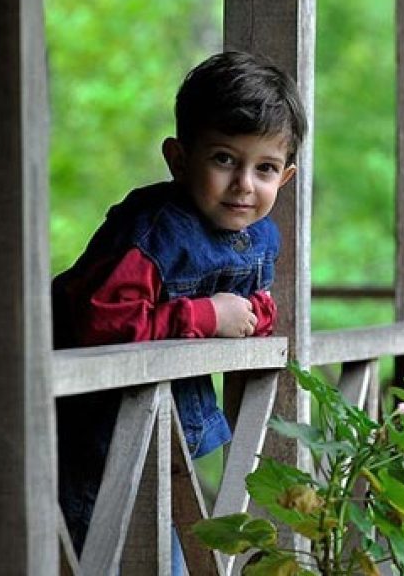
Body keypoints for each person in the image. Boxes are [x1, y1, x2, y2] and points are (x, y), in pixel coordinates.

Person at [51, 50, 306, 565]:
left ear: (286, 177)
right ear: (179, 158)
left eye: (265, 169)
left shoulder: (257, 235)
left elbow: (252, 302)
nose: (244, 185)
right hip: (90, 441)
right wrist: (208, 316)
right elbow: (101, 322)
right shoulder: (152, 232)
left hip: (156, 445)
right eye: (224, 159)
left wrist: (252, 314)